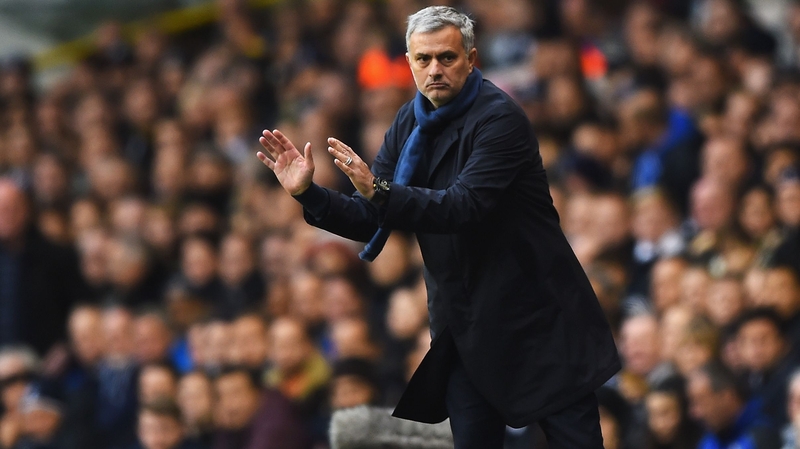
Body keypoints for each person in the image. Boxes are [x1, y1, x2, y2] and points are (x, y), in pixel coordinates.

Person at [255, 5, 620, 448]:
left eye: (447, 58)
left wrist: (380, 192)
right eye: (423, 59)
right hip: (463, 329)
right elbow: (371, 214)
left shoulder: (499, 119)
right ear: (408, 63)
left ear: (471, 58)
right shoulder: (409, 121)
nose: (435, 70)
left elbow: (462, 207)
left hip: (538, 322)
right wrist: (307, 193)